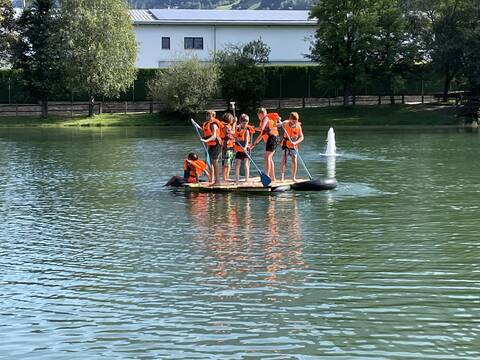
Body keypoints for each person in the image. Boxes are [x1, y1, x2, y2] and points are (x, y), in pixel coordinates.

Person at [251, 108, 280, 182]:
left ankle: (266, 175)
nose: (259, 117)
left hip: (272, 138)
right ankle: (273, 177)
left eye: (260, 115)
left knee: (267, 157)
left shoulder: (266, 118)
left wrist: (253, 128)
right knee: (269, 158)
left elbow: (261, 128)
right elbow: (261, 135)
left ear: (261, 114)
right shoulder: (263, 121)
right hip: (273, 139)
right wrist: (254, 144)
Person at [200, 110, 224, 185]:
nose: (208, 117)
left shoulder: (214, 125)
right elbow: (204, 130)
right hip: (211, 145)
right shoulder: (207, 124)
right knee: (210, 162)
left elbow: (214, 136)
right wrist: (196, 125)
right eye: (207, 116)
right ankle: (212, 180)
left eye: (210, 116)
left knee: (215, 162)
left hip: (216, 145)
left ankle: (218, 181)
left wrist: (205, 140)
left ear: (214, 117)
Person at [280, 112, 304, 182]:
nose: (294, 122)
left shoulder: (298, 126)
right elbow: (278, 125)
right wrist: (279, 121)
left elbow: (302, 137)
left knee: (294, 160)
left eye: (296, 121)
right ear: (290, 119)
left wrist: (296, 142)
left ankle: (293, 177)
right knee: (284, 159)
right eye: (293, 121)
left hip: (294, 145)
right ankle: (282, 177)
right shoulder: (285, 123)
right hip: (286, 144)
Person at [234, 114, 252, 183]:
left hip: (245, 150)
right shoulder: (237, 129)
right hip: (239, 150)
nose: (245, 125)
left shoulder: (246, 131)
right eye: (244, 123)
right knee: (237, 164)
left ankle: (247, 179)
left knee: (246, 164)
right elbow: (234, 133)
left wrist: (245, 147)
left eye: (246, 123)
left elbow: (247, 141)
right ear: (240, 122)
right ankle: (237, 180)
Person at [221, 112, 236, 182]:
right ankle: (224, 178)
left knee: (229, 163)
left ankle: (227, 176)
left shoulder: (229, 125)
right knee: (226, 163)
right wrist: (235, 124)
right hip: (226, 148)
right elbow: (232, 132)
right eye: (232, 118)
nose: (233, 119)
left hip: (231, 147)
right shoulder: (225, 126)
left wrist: (234, 124)